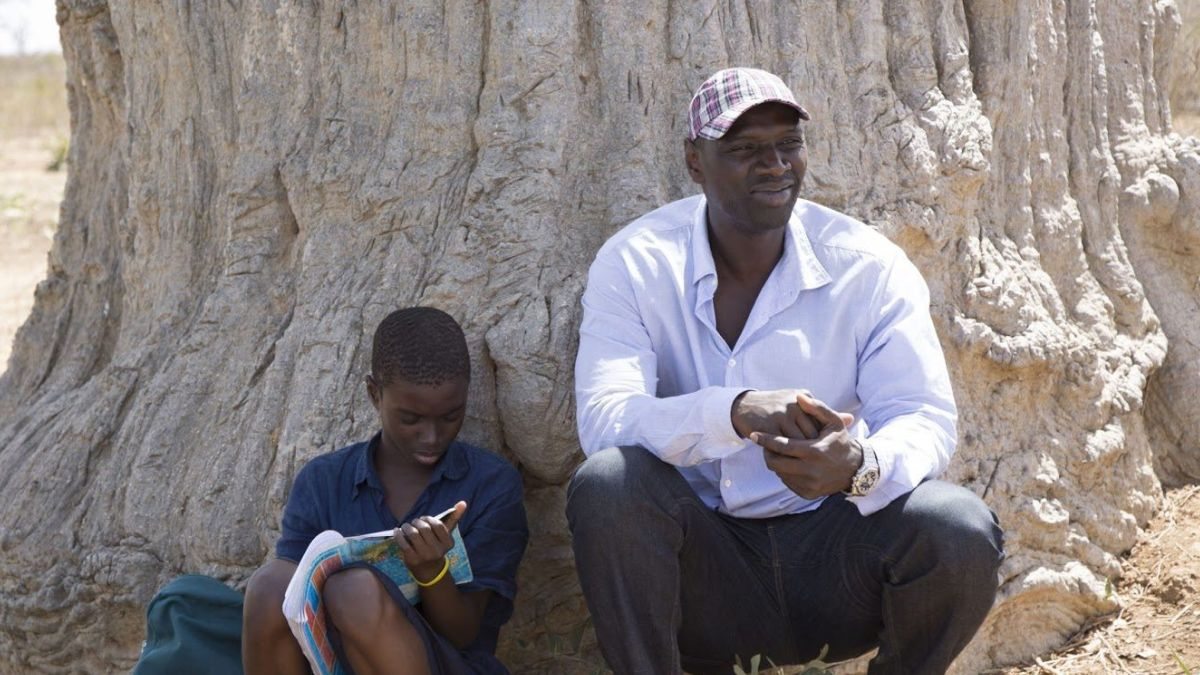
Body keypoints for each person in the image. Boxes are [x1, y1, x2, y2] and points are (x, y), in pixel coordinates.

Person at [568, 67, 1005, 675]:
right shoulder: (636, 263)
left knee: (956, 527)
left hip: (835, 560)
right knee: (609, 485)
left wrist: (857, 467)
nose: (774, 165)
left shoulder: (867, 267)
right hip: (703, 573)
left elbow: (923, 416)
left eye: (787, 144)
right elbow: (604, 420)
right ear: (695, 162)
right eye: (745, 149)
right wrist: (733, 411)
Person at [243, 307, 529, 675]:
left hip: (447, 664)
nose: (432, 436)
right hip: (335, 662)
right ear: (374, 394)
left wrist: (431, 572)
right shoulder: (323, 482)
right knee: (270, 585)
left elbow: (463, 634)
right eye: (411, 419)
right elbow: (294, 608)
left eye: (450, 416)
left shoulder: (490, 486)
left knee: (355, 592)